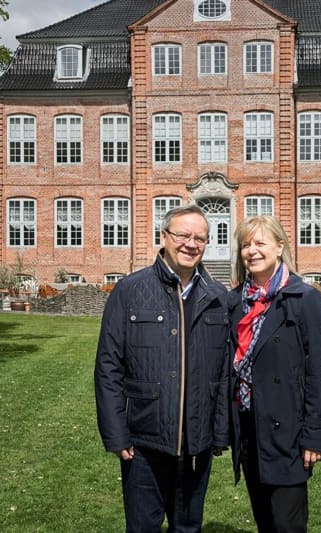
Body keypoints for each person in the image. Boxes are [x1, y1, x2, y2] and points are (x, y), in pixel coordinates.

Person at [95, 204, 230, 533]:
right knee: (143, 528)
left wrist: (220, 432)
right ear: (164, 237)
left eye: (200, 237)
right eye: (183, 235)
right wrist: (116, 434)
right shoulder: (130, 290)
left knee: (188, 528)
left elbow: (224, 372)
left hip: (196, 444)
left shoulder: (217, 296)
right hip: (144, 443)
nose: (191, 243)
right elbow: (108, 366)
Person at [228, 216, 321, 533]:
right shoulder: (235, 302)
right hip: (248, 426)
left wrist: (315, 436)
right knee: (263, 519)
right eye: (246, 245)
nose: (252, 251)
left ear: (280, 247)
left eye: (260, 243)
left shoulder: (304, 299)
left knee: (286, 524)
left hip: (287, 429)